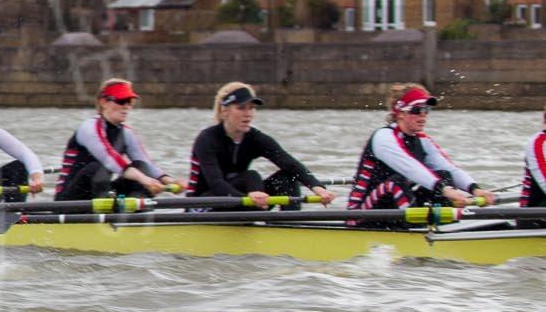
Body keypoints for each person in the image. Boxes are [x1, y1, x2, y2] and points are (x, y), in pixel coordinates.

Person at [185, 82, 333, 207]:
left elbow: (290, 164)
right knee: (251, 176)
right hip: (204, 205)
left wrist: (318, 188)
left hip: (243, 202)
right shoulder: (206, 139)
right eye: (241, 108)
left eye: (251, 108)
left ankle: (287, 229)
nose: (248, 113)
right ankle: (256, 216)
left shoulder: (255, 138)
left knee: (287, 178)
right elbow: (216, 183)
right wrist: (248, 200)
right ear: (225, 111)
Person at [348, 84, 481, 212]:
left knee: (444, 175)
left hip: (394, 208)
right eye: (417, 110)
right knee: (397, 182)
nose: (423, 115)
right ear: (400, 113)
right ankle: (417, 229)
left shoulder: (423, 141)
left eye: (426, 110)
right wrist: (444, 190)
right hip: (363, 212)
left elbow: (449, 168)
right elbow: (409, 167)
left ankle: (444, 225)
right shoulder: (383, 137)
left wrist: (475, 189)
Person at [56, 78, 168, 201]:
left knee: (141, 166)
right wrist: (144, 179)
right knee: (96, 168)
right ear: (103, 102)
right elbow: (109, 158)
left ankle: (133, 212)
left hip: (100, 193)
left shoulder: (126, 132)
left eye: (129, 101)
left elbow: (145, 161)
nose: (126, 107)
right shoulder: (89, 128)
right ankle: (110, 208)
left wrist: (167, 180)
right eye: (121, 101)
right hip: (70, 198)